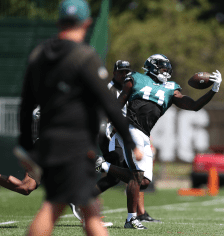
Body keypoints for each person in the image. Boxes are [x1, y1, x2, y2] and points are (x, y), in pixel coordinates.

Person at [18, 0, 142, 235]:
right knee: (57, 208)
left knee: (77, 207)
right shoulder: (84, 56)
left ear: (58, 22)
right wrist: (131, 142)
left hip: (48, 142)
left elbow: (25, 106)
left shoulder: (39, 55)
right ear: (86, 23)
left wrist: (25, 146)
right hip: (75, 145)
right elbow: (110, 105)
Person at [96, 54, 222, 229]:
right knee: (136, 175)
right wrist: (112, 121)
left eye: (168, 68)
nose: (167, 71)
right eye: (163, 68)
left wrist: (213, 89)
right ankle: (131, 219)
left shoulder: (171, 88)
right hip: (131, 128)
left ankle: (104, 166)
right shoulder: (135, 78)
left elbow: (193, 106)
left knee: (144, 181)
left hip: (145, 134)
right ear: (153, 66)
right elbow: (120, 102)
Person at [70, 60, 161, 226]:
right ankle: (85, 198)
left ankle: (84, 199)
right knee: (132, 174)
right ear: (114, 73)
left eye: (127, 71)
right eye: (121, 72)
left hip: (124, 133)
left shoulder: (130, 87)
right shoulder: (109, 89)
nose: (124, 74)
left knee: (121, 177)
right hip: (110, 134)